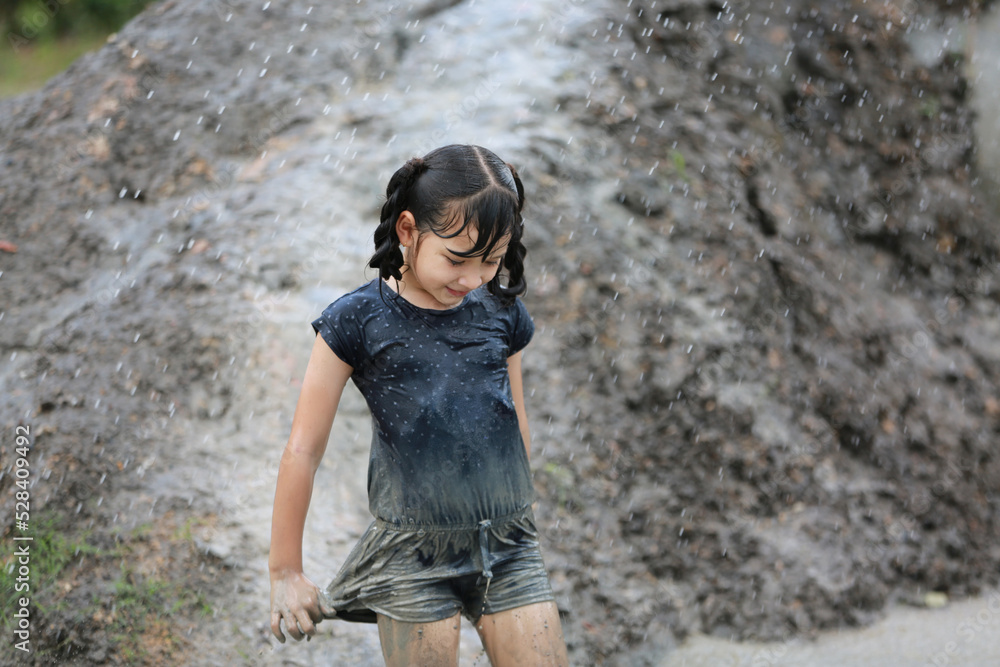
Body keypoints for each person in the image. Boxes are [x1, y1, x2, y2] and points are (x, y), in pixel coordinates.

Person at [268, 144, 570, 666]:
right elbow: (302, 451)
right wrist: (285, 571)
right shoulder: (357, 321)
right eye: (456, 259)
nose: (473, 279)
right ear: (407, 230)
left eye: (491, 261)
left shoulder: (500, 310)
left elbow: (514, 418)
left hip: (507, 545)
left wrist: (521, 511)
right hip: (413, 556)